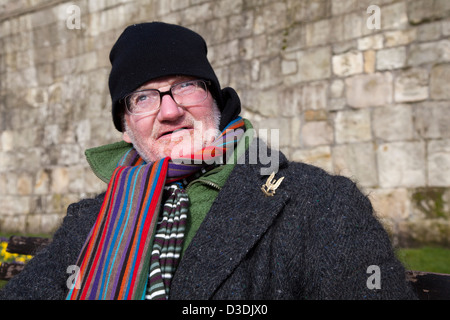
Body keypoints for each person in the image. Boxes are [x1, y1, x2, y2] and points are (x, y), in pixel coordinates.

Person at [0, 22, 417, 300]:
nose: (169, 111)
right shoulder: (91, 218)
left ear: (216, 102)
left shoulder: (317, 201)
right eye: (143, 97)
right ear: (126, 127)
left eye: (186, 87)